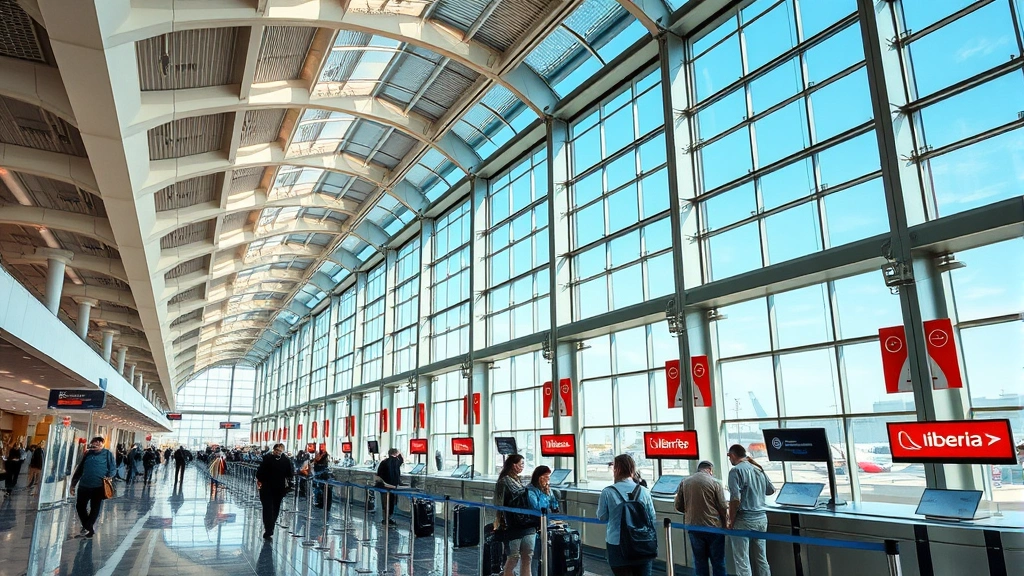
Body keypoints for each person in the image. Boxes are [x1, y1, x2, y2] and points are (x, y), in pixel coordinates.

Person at [597, 454, 657, 576]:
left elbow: (602, 516)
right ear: (632, 469)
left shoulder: (608, 492)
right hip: (642, 542)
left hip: (616, 543)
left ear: (616, 470)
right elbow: (652, 517)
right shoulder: (644, 491)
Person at [675, 460, 728, 576]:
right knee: (718, 562)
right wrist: (725, 524)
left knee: (700, 562)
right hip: (714, 527)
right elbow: (723, 506)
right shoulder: (715, 483)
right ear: (710, 470)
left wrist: (690, 510)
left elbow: (678, 506)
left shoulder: (685, 482)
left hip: (693, 527)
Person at [726, 444, 772, 576]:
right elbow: (770, 490)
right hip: (762, 519)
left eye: (729, 457)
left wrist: (730, 520)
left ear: (733, 455)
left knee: (742, 560)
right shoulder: (758, 469)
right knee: (761, 557)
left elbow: (735, 499)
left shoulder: (735, 471)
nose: (730, 460)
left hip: (744, 519)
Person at [494, 454, 536, 576]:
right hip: (513, 525)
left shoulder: (516, 479)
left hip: (526, 525)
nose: (523, 467)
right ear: (514, 465)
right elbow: (501, 502)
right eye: (521, 464)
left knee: (527, 557)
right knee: (514, 557)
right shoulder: (505, 481)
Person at [69, 437, 116, 538]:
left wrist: (110, 476)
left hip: (99, 486)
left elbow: (112, 468)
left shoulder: (107, 454)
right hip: (84, 485)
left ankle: (87, 528)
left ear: (103, 445)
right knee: (80, 506)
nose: (96, 445)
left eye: (99, 444)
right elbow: (80, 469)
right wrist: (73, 484)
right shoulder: (87, 454)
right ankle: (88, 527)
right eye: (94, 444)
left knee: (95, 507)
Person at [255, 443, 293, 541]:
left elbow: (260, 473)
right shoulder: (286, 461)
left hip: (267, 487)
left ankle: (269, 528)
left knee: (267, 508)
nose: (278, 452)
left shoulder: (267, 459)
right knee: (275, 508)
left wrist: (261, 479)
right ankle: (271, 527)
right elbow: (290, 474)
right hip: (279, 488)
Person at [376, 448, 404, 525]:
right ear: (395, 454)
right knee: (391, 502)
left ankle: (385, 518)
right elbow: (401, 460)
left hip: (383, 486)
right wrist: (399, 454)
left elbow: (378, 474)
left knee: (385, 503)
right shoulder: (396, 461)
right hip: (392, 486)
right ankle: (389, 518)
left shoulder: (384, 462)